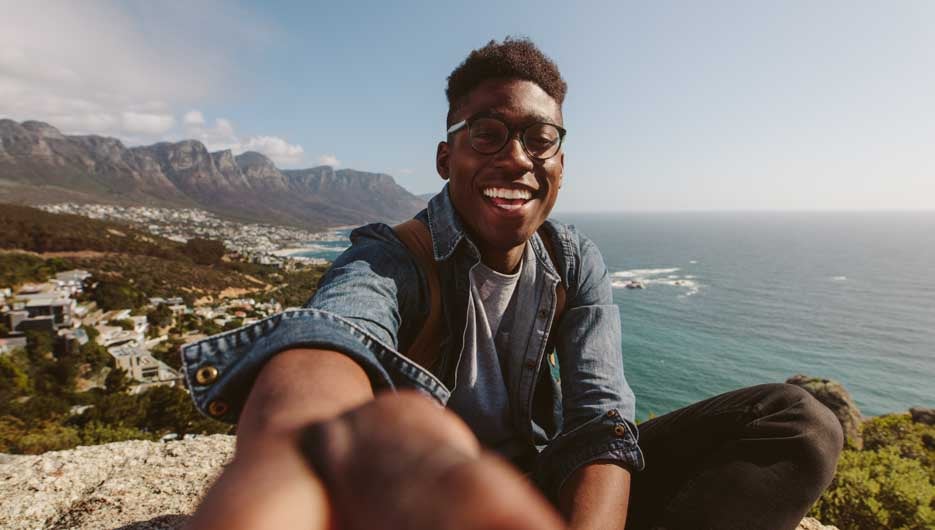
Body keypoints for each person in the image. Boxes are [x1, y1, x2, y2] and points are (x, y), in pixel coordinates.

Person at [182, 38, 843, 530]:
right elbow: (331, 343)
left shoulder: (573, 260)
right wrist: (296, 452)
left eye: (539, 137)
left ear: (560, 161)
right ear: (447, 157)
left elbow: (599, 420)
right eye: (488, 134)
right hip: (425, 502)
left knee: (797, 422)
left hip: (542, 487)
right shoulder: (390, 257)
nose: (517, 157)